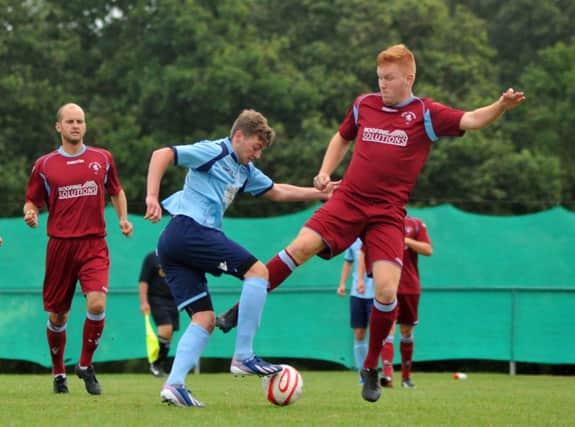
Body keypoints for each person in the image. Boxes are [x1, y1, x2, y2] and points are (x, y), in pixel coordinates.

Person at [215, 44, 525, 403]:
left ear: (409, 78)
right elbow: (342, 136)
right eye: (379, 77)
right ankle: (240, 310)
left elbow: (471, 119)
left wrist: (500, 106)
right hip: (347, 200)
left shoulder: (426, 113)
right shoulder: (365, 104)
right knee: (299, 247)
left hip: (387, 214)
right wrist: (324, 172)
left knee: (386, 292)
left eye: (390, 78)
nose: (383, 84)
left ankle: (371, 367)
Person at [144, 109, 336, 407]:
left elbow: (278, 191)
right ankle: (244, 356)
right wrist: (152, 197)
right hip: (189, 230)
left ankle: (174, 384)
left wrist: (320, 194)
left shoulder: (244, 170)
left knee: (204, 319)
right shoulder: (215, 150)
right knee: (258, 272)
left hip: (173, 244)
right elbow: (162, 154)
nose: (257, 154)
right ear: (238, 136)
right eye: (255, 147)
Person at [23, 103, 133, 395]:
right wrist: (30, 212)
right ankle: (59, 372)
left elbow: (116, 190)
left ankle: (84, 364)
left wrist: (123, 218)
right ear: (58, 127)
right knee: (58, 316)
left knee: (97, 304)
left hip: (94, 243)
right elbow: (32, 200)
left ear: (85, 126)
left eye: (80, 121)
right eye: (70, 121)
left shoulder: (102, 158)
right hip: (60, 246)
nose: (76, 125)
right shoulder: (45, 165)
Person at [380, 215, 432, 389]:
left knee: (406, 331)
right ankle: (386, 376)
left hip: (409, 285)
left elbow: (428, 250)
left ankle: (406, 378)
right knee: (387, 329)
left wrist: (406, 241)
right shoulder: (381, 222)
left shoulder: (415, 224)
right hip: (388, 285)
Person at [336, 238, 374, 380]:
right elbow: (348, 261)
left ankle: (376, 370)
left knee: (377, 334)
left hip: (377, 293)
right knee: (359, 333)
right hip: (356, 294)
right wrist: (342, 284)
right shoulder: (353, 239)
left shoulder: (376, 236)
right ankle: (362, 374)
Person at [139, 250, 179, 377]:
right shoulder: (151, 257)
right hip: (156, 299)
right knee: (166, 328)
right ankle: (155, 364)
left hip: (174, 300)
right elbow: (143, 281)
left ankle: (159, 365)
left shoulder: (177, 256)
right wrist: (144, 302)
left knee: (170, 333)